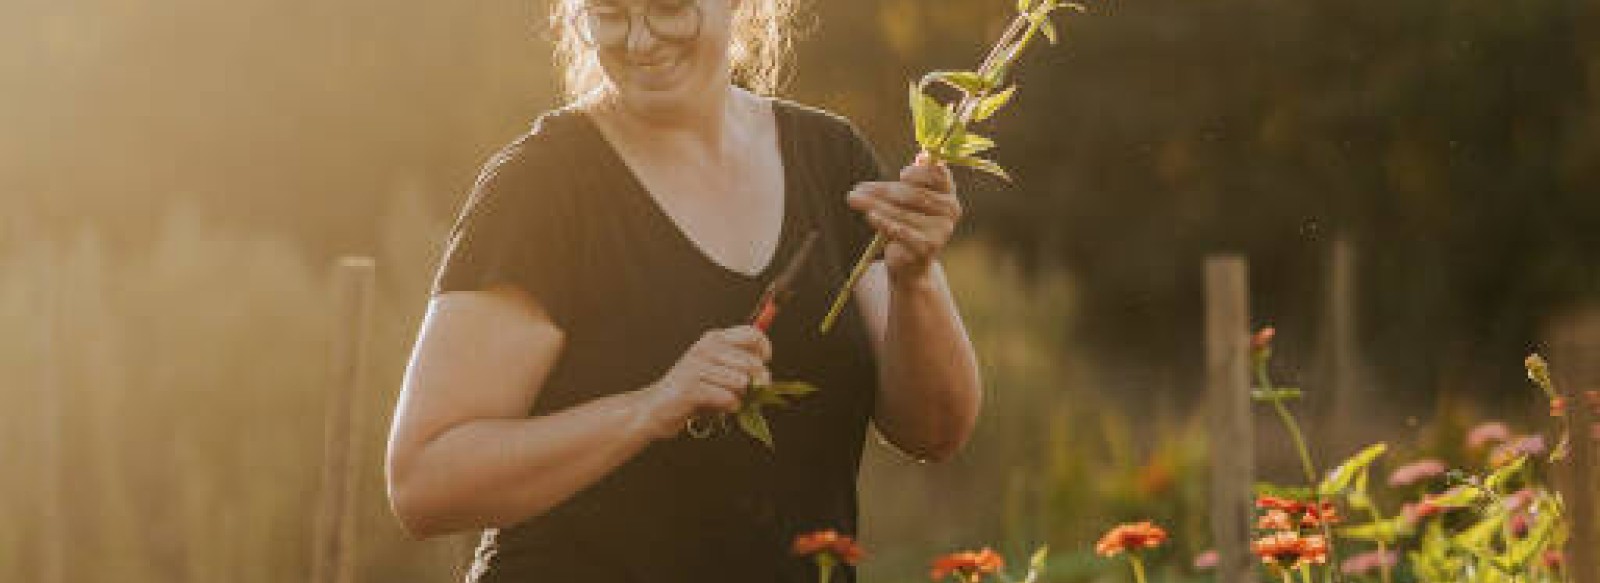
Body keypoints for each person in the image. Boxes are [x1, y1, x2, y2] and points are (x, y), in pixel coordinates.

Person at [384, 0, 982, 580]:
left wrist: (915, 277)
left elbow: (935, 432)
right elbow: (424, 481)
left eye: (669, 7)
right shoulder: (541, 190)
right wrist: (650, 408)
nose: (639, 39)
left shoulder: (832, 160)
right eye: (609, 14)